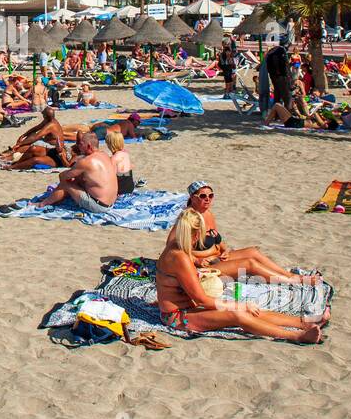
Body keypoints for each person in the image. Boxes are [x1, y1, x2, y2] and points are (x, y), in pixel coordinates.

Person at [155, 208, 324, 343]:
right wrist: (239, 306)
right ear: (194, 234)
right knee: (238, 313)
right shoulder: (179, 257)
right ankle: (296, 336)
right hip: (177, 317)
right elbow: (202, 300)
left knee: (250, 310)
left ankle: (304, 323)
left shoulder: (177, 249)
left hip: (188, 307)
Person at [182, 181, 321, 285]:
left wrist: (224, 250)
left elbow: (216, 239)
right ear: (193, 198)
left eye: (211, 195)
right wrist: (198, 259)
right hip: (204, 267)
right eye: (203, 196)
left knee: (253, 251)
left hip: (217, 257)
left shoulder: (208, 214)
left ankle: (289, 275)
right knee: (249, 263)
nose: (208, 199)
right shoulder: (188, 220)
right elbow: (178, 251)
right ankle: (294, 281)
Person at [30, 130, 116, 214]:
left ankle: (42, 204)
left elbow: (63, 177)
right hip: (111, 203)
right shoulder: (105, 155)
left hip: (99, 206)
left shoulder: (86, 161)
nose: (78, 146)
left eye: (81, 144)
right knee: (78, 180)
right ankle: (53, 198)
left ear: (89, 146)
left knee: (66, 184)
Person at [105, 128, 134, 195]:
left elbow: (111, 176)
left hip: (121, 189)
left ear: (110, 145)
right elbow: (130, 166)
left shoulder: (114, 158)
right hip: (130, 186)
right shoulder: (125, 153)